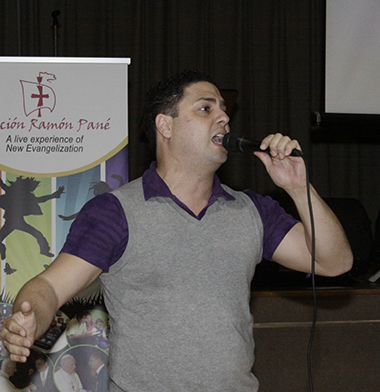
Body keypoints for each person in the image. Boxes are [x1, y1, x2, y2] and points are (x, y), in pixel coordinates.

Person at [0, 70, 353, 391]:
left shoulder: (252, 210)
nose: (224, 117)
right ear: (165, 126)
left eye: (225, 110)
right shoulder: (117, 211)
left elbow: (335, 262)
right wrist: (27, 319)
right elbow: (47, 287)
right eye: (205, 108)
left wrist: (297, 187)